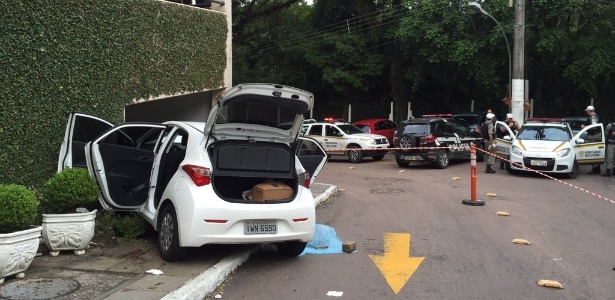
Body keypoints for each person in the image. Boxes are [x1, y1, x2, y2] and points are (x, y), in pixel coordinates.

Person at [581, 105, 601, 174]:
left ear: (589, 111)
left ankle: (596, 168)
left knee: (593, 151)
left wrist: (584, 127)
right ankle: (596, 168)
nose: (587, 112)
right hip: (595, 136)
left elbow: (594, 127)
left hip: (594, 136)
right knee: (594, 151)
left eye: (587, 111)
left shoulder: (593, 117)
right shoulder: (594, 116)